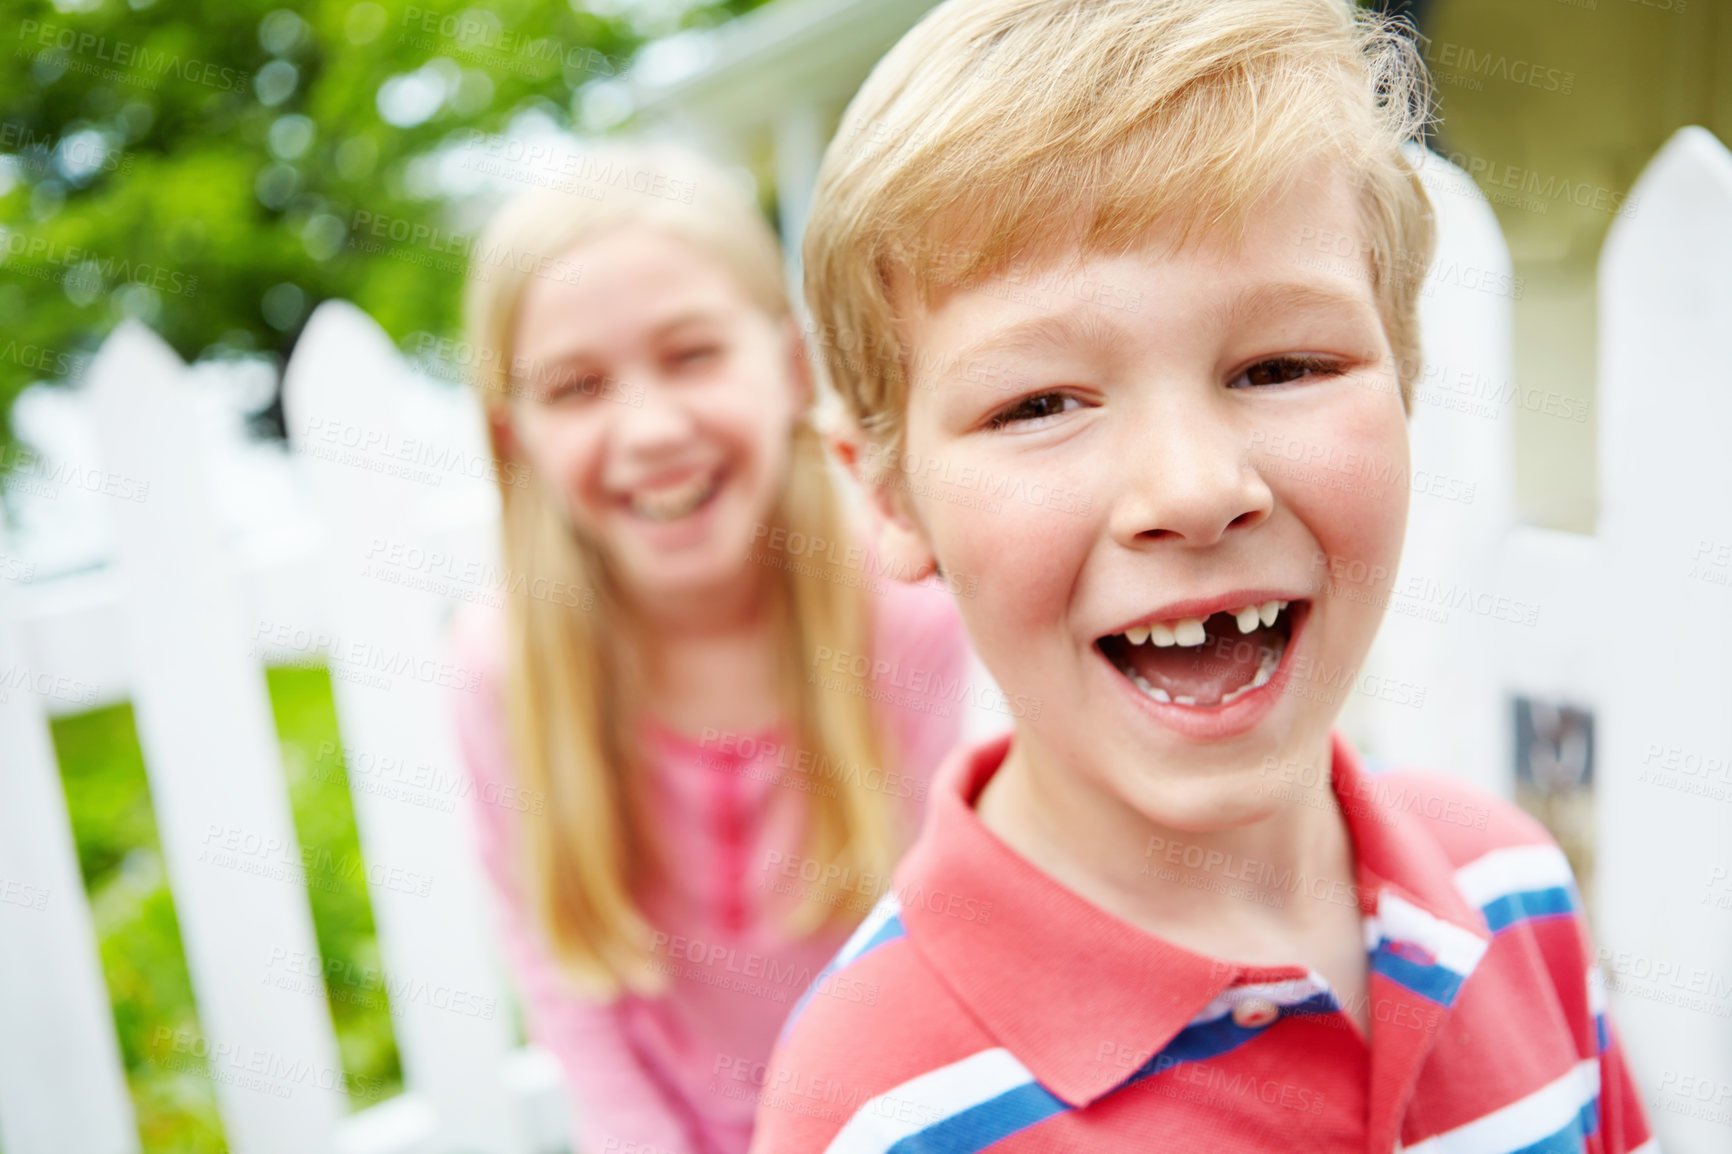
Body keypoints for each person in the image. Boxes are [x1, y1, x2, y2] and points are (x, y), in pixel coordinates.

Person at [749, 1, 1655, 1150]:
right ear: (886, 491)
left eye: (1282, 364)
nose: (1190, 487)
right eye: (1039, 403)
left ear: (1407, 380)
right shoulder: (877, 1105)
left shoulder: (1515, 890)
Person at [447, 142, 970, 1154]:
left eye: (691, 355)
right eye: (575, 386)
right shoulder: (502, 667)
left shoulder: (900, 611)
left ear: (787, 370)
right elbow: (563, 982)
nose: (648, 428)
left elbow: (922, 942)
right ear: (515, 437)